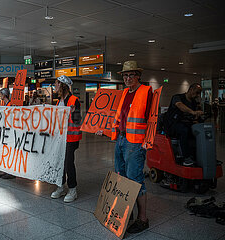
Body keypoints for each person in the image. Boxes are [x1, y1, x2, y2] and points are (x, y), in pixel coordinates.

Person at [96, 61, 153, 233]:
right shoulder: (123, 93)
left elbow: (152, 118)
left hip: (135, 143)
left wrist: (147, 141)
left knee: (135, 180)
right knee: (122, 178)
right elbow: (117, 116)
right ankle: (127, 214)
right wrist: (104, 129)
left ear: (138, 76)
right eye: (125, 75)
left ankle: (143, 219)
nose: (128, 78)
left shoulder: (146, 91)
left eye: (131, 75)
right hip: (121, 140)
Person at [51, 75, 82, 203]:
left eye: (57, 84)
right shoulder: (59, 102)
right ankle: (60, 186)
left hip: (71, 138)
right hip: (61, 138)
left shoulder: (74, 100)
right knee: (60, 162)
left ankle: (72, 189)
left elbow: (77, 121)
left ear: (62, 86)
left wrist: (73, 113)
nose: (55, 86)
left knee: (68, 163)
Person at [163, 83, 203, 166]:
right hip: (172, 125)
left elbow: (197, 115)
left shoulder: (194, 103)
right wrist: (192, 112)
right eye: (197, 92)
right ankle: (186, 158)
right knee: (184, 130)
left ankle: (196, 155)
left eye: (199, 93)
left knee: (199, 131)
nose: (197, 95)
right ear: (191, 89)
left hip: (186, 123)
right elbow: (180, 105)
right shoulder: (177, 97)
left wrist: (197, 118)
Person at [0, 88, 16, 179]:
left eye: (1, 94)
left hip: (9, 130)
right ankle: (7, 170)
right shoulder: (6, 104)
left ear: (4, 95)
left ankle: (11, 172)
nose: (0, 96)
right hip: (6, 130)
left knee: (9, 151)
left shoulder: (9, 105)